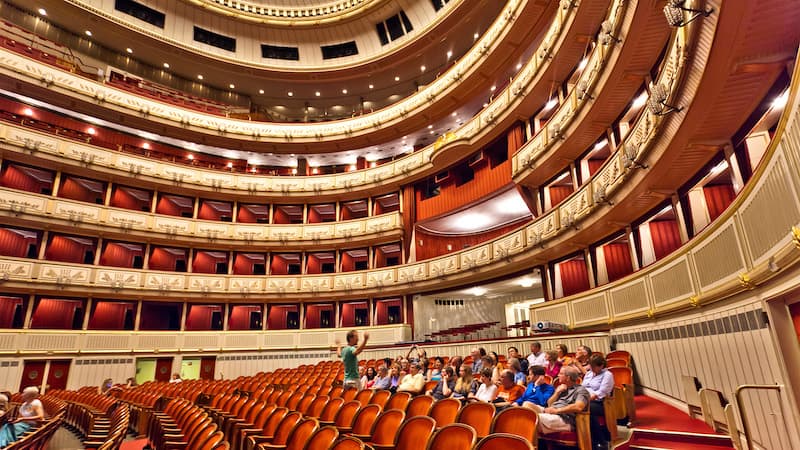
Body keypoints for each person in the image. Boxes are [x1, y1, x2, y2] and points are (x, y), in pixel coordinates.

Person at [529, 366, 590, 436]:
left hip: (564, 418)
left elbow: (579, 407)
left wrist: (557, 411)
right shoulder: (561, 388)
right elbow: (549, 404)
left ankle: (529, 445)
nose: (558, 375)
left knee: (531, 417)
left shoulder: (581, 390)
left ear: (568, 378)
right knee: (526, 406)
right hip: (551, 411)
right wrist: (557, 392)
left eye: (561, 374)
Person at [582, 355, 615, 449]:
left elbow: (601, 393)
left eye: (594, 366)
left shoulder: (607, 375)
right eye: (590, 366)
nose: (591, 369)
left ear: (601, 366)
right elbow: (582, 387)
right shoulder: (589, 373)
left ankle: (601, 441)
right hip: (586, 400)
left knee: (586, 408)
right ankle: (585, 438)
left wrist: (585, 399)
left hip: (601, 403)